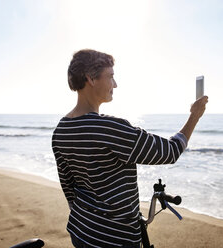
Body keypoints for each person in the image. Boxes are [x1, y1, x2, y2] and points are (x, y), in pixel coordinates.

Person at [52, 49, 208, 248]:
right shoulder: (109, 128)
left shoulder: (61, 129)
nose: (115, 84)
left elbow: (69, 189)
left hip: (81, 231)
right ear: (91, 78)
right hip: (116, 239)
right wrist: (195, 115)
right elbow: (169, 152)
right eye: (111, 77)